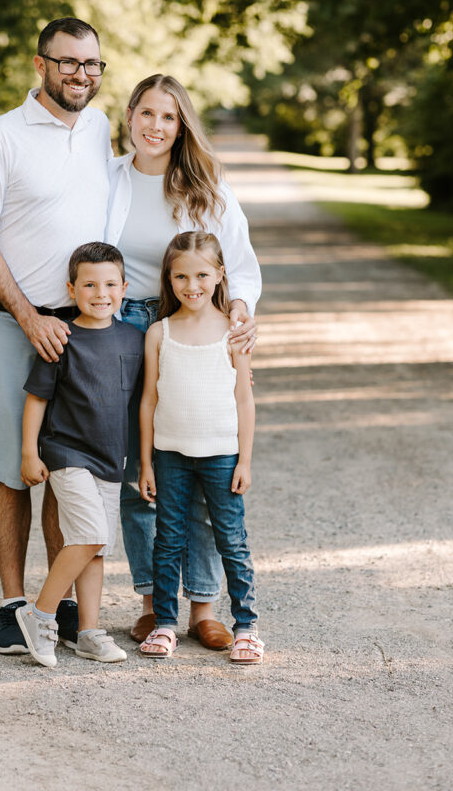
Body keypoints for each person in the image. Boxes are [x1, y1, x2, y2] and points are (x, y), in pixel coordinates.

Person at [0, 18, 112, 655]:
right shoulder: (2, 137)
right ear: (39, 64)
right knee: (10, 468)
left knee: (70, 468)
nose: (82, 74)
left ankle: (64, 604)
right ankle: (12, 604)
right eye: (68, 62)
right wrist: (29, 317)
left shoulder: (102, 130)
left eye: (93, 64)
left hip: (80, 331)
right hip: (10, 322)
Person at [105, 74, 261, 649]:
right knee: (138, 471)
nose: (155, 126)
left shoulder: (206, 185)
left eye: (168, 117)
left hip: (191, 327)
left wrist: (239, 316)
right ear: (129, 117)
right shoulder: (108, 179)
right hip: (123, 328)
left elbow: (239, 264)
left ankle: (204, 607)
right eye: (146, 113)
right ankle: (153, 602)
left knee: (199, 465)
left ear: (181, 124)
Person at [17, 242, 144, 668]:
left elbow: (155, 392)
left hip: (112, 458)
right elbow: (36, 398)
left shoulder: (134, 339)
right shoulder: (61, 336)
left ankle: (88, 632)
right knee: (91, 534)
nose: (100, 292)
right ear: (72, 289)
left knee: (97, 547)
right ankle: (39, 614)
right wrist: (28, 454)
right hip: (66, 452)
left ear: (124, 288)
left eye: (110, 284)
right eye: (89, 284)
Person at [138, 231, 263, 663]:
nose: (191, 285)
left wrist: (244, 459)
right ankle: (165, 624)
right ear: (168, 280)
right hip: (170, 456)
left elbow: (244, 400)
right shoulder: (159, 333)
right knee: (168, 540)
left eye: (202, 275)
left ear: (220, 275)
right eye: (180, 277)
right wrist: (145, 462)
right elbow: (149, 400)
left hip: (222, 456)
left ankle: (246, 627)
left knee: (231, 539)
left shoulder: (233, 332)